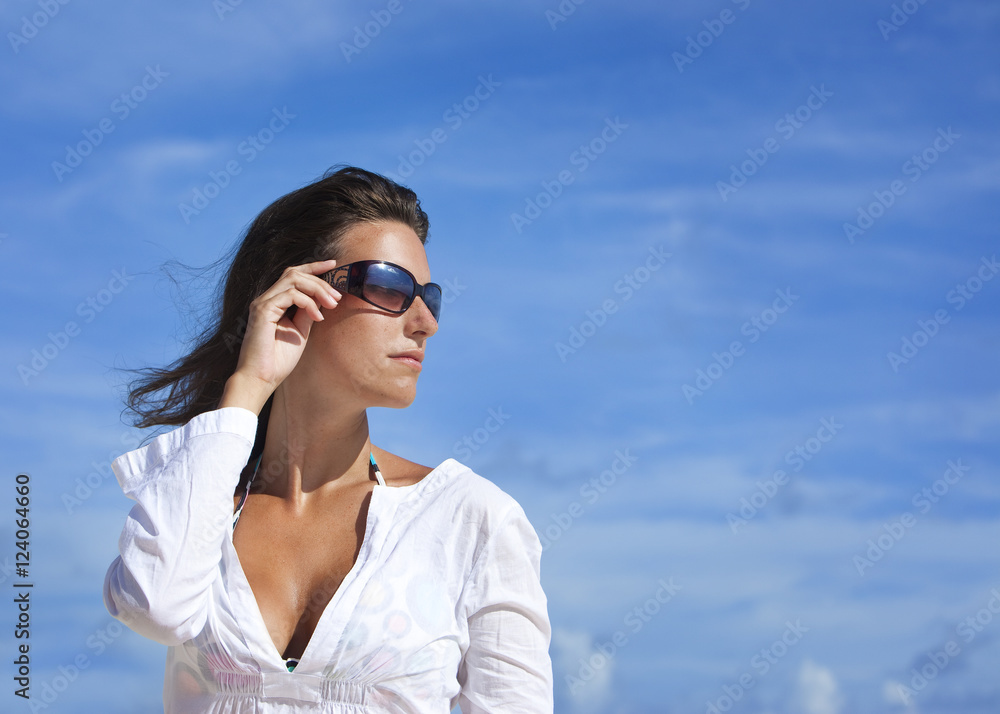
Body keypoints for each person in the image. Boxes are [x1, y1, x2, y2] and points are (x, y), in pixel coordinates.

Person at [103, 165, 553, 713]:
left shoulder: (471, 519)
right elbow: (154, 606)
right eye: (391, 286)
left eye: (428, 296)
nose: (425, 322)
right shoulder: (204, 499)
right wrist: (248, 386)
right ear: (296, 294)